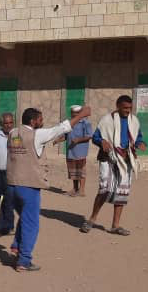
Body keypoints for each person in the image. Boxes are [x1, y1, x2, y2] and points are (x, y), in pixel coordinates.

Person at [7, 104, 94, 271]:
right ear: (33, 121)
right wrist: (82, 115)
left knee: (24, 218)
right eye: (40, 119)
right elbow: (62, 128)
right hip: (28, 185)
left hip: (12, 185)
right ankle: (24, 261)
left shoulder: (13, 133)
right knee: (31, 223)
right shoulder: (37, 134)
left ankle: (16, 247)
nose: (42, 121)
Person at [81, 95, 146, 236]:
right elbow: (96, 136)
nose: (128, 111)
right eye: (125, 108)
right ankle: (91, 219)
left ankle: (115, 225)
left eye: (130, 108)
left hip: (126, 159)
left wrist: (140, 143)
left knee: (122, 192)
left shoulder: (134, 120)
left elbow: (138, 136)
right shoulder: (106, 120)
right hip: (108, 158)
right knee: (104, 189)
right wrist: (102, 141)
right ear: (118, 106)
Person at [65, 105, 94, 196]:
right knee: (73, 170)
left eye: (75, 113)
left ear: (79, 113)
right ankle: (75, 188)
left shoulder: (85, 123)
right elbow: (66, 135)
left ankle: (81, 190)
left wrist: (78, 140)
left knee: (81, 170)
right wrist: (58, 139)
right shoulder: (69, 123)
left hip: (80, 151)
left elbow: (89, 136)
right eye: (72, 112)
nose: (73, 114)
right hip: (71, 151)